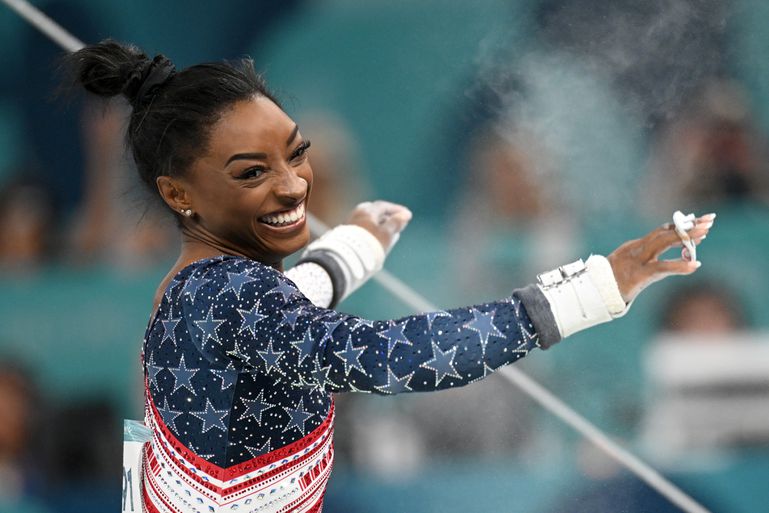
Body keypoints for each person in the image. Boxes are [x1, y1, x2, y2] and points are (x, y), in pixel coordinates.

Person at [65, 39, 714, 513]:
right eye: (251, 172)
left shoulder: (195, 292)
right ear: (180, 193)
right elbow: (386, 359)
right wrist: (597, 286)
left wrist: (354, 245)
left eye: (295, 154)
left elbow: (290, 307)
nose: (293, 185)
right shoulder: (227, 297)